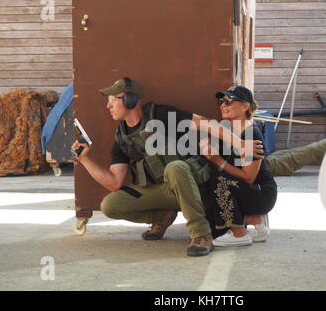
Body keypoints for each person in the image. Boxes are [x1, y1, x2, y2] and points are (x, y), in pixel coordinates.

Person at [72, 77, 264, 256]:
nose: (108, 105)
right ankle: (162, 215)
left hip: (191, 185)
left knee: (175, 167)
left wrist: (239, 143)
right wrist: (85, 160)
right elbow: (114, 182)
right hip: (162, 191)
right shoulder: (121, 137)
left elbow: (206, 123)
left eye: (114, 99)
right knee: (110, 205)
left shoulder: (160, 114)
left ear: (130, 100)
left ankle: (201, 234)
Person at [199, 86, 278, 247]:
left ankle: (239, 233)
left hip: (260, 192)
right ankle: (253, 221)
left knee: (218, 179)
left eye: (229, 101)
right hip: (241, 189)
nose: (222, 105)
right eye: (221, 101)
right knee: (215, 230)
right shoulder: (227, 130)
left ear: (245, 106)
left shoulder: (251, 133)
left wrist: (218, 161)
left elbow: (249, 177)